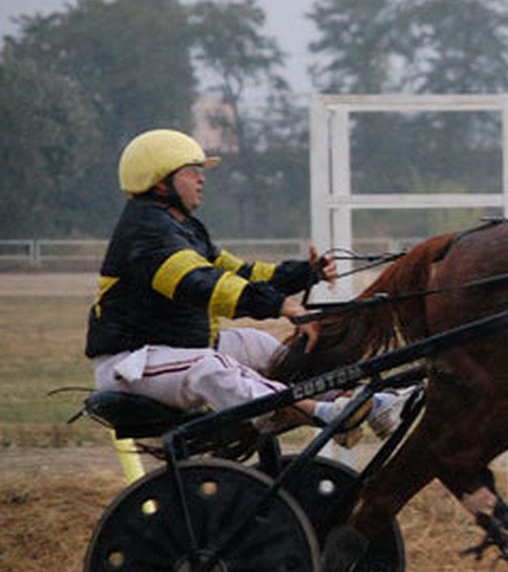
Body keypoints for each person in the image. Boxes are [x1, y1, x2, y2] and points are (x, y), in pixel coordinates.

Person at [85, 128, 402, 442]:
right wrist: (280, 305)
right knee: (208, 366)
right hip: (130, 366)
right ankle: (323, 413)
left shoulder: (183, 229)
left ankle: (356, 402)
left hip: (170, 352)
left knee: (257, 344)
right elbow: (202, 285)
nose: (202, 179)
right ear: (160, 182)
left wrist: (306, 273)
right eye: (192, 171)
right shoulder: (146, 234)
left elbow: (241, 274)